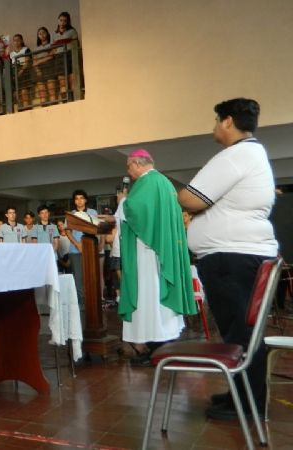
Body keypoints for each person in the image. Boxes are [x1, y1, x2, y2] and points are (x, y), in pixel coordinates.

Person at [178, 98, 278, 421]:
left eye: (216, 121)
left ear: (228, 121)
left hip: (231, 258)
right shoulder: (253, 154)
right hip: (239, 256)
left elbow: (192, 198)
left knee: (240, 334)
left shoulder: (235, 155)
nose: (214, 128)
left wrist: (182, 197)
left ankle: (248, 404)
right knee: (239, 332)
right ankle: (241, 393)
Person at [118, 149, 196, 363]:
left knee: (149, 295)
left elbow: (135, 212)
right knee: (158, 298)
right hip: (161, 251)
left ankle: (155, 348)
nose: (128, 170)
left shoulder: (146, 183)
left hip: (148, 253)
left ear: (137, 163)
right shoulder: (164, 182)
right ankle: (161, 346)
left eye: (128, 166)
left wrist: (123, 201)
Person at [64, 189, 97, 306]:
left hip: (91, 250)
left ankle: (92, 302)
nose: (79, 201)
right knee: (78, 277)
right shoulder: (71, 214)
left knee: (91, 277)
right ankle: (81, 304)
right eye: (76, 199)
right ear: (74, 201)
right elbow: (68, 232)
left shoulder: (93, 212)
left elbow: (97, 230)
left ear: (86, 200)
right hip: (75, 250)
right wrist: (77, 244)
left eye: (81, 198)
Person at [52, 12, 78, 100]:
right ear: (58, 20)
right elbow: (53, 49)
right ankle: (66, 101)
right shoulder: (53, 34)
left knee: (72, 80)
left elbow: (75, 44)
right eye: (61, 20)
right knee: (62, 82)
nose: (62, 22)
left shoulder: (72, 31)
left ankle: (74, 100)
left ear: (68, 22)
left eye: (65, 21)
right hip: (59, 58)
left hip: (70, 56)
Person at [32, 27, 56, 104]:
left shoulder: (51, 45)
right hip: (39, 69)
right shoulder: (36, 49)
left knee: (51, 89)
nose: (42, 35)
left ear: (47, 34)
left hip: (49, 67)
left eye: (43, 33)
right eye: (39, 34)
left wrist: (39, 61)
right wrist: (37, 70)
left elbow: (51, 56)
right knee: (42, 91)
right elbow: (34, 62)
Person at [9, 34, 31, 109]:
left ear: (21, 41)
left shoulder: (26, 50)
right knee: (17, 93)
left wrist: (20, 72)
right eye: (14, 40)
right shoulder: (11, 54)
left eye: (18, 40)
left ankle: (26, 108)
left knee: (24, 92)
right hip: (14, 73)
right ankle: (20, 109)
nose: (16, 42)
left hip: (23, 73)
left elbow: (27, 62)